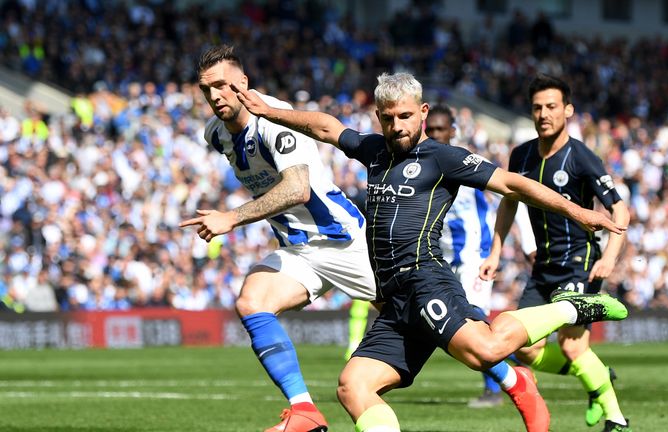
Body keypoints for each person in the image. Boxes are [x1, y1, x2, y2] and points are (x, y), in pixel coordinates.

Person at [231, 71, 629, 432]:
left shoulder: (442, 157)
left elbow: (513, 185)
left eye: (405, 116)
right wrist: (268, 111)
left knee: (485, 351)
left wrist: (578, 210)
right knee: (353, 386)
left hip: (426, 281)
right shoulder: (374, 150)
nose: (397, 126)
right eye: (388, 118)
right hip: (394, 299)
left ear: (422, 112)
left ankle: (572, 308)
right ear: (378, 116)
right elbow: (326, 127)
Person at [181, 45, 377, 432]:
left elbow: (298, 189)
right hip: (298, 251)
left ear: (243, 83)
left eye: (222, 85)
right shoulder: (216, 134)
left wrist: (232, 219)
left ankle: (513, 381)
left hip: (343, 241)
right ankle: (304, 410)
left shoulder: (272, 119)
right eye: (207, 90)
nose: (215, 96)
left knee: (440, 331)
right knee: (252, 301)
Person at [480, 73, 632, 432]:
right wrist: (495, 253)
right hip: (543, 267)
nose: (544, 114)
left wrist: (610, 257)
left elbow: (620, 209)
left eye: (551, 106)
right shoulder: (521, 155)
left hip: (581, 265)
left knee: (573, 347)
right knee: (522, 348)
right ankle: (598, 379)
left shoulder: (581, 156)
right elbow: (508, 205)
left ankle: (616, 417)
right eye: (537, 108)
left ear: (568, 110)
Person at [426, 105, 537, 408]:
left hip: (476, 257)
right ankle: (532, 360)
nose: (435, 135)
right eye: (430, 130)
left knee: (474, 321)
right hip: (443, 261)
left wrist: (528, 245)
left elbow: (513, 195)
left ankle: (495, 389)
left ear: (453, 132)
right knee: (454, 331)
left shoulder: (466, 163)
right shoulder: (422, 165)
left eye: (440, 129)